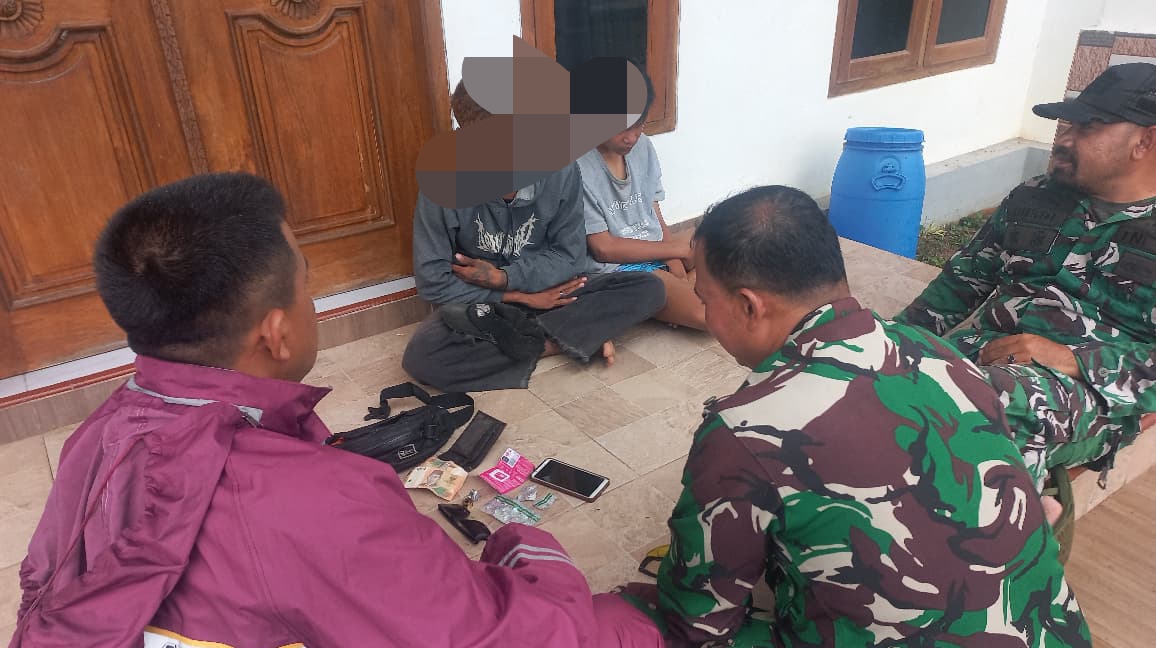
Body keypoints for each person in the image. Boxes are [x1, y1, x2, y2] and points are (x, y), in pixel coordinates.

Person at [11, 173, 663, 647]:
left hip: (539, 302)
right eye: (306, 284)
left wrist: (517, 285)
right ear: (275, 334)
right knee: (625, 624)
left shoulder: (93, 437)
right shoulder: (324, 501)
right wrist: (525, 546)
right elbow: (504, 635)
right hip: (482, 320)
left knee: (636, 292)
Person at [625, 186, 1089, 647]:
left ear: (749, 306)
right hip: (1055, 635)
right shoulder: (941, 354)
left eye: (705, 299)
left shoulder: (744, 430)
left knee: (631, 622)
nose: (705, 314)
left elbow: (697, 623)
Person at [896, 62, 1156, 492]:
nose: (1064, 139)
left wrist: (1072, 359)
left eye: (1087, 127)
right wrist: (885, 345)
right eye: (1067, 125)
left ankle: (1007, 527)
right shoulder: (1033, 198)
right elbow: (960, 284)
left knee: (981, 408)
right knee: (875, 385)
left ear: (1145, 140)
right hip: (984, 355)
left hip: (1091, 392)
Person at [402, 80, 666, 392]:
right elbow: (433, 282)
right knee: (424, 355)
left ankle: (537, 340)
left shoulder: (561, 168)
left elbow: (570, 256)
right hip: (488, 304)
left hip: (555, 290)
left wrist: (505, 277)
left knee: (648, 288)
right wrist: (516, 296)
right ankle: (562, 338)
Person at [576, 72, 705, 330]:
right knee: (707, 316)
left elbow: (653, 213)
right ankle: (668, 298)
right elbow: (603, 248)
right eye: (622, 127)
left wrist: (674, 259)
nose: (632, 137)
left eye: (640, 125)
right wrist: (676, 252)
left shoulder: (642, 147)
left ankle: (673, 297)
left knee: (718, 246)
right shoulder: (576, 165)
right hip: (617, 267)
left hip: (655, 251)